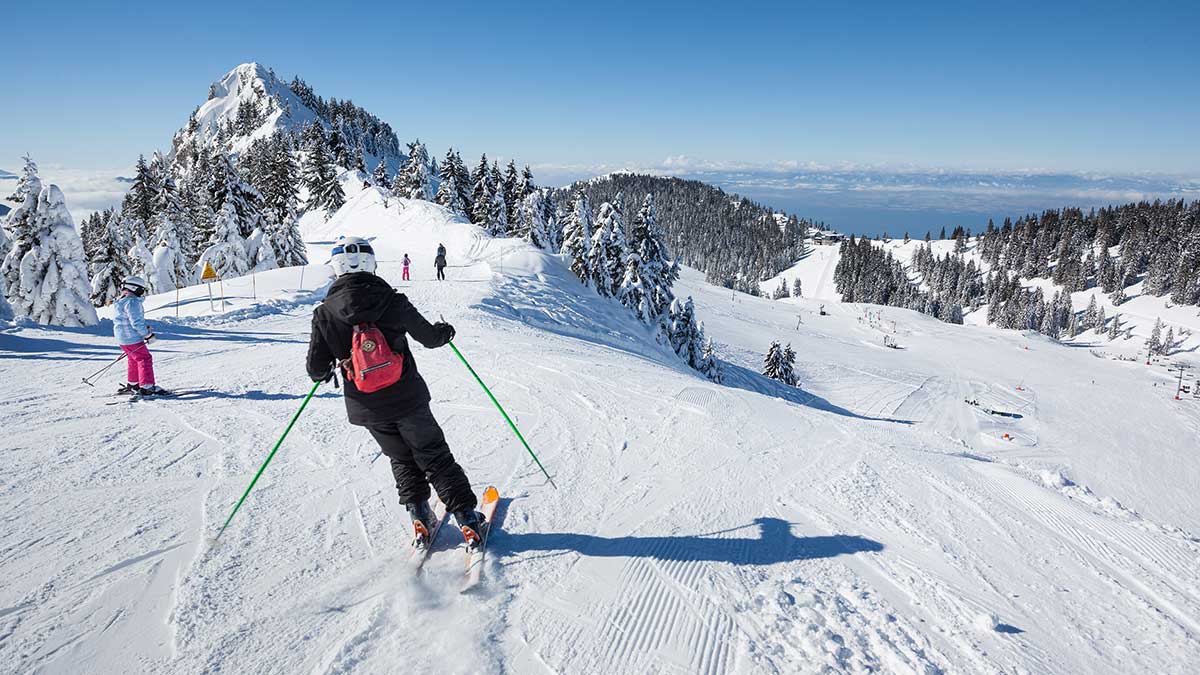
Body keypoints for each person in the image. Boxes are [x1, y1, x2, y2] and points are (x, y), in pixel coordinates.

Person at [306, 236, 486, 547]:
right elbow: (429, 338)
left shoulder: (324, 313)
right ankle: (467, 518)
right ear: (371, 264)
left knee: (401, 458)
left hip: (367, 407)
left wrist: (331, 366)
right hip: (407, 397)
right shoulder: (391, 300)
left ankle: (419, 515)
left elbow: (316, 369)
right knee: (435, 456)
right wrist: (446, 332)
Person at [112, 275, 169, 396]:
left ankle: (133, 384)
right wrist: (147, 335)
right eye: (141, 289)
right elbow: (136, 322)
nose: (142, 292)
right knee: (144, 358)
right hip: (131, 338)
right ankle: (147, 387)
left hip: (123, 338)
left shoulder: (122, 301)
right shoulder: (132, 302)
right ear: (134, 288)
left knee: (134, 359)